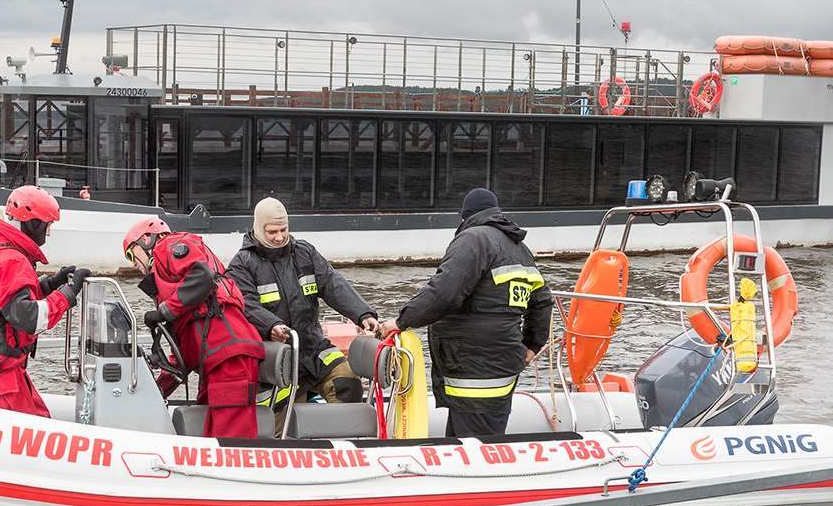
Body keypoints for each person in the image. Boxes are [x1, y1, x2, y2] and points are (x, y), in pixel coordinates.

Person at [377, 188, 552, 438]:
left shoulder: (474, 239)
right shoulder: (519, 248)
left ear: (465, 217)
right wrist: (532, 344)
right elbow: (543, 301)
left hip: (473, 369)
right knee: (470, 442)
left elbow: (443, 293)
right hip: (502, 369)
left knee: (476, 454)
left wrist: (401, 321)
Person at [228, 197, 378, 426]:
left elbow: (332, 284)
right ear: (259, 228)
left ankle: (343, 439)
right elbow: (246, 304)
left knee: (348, 381)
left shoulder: (304, 252)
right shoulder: (242, 264)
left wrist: (363, 314)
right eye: (272, 232)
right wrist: (271, 326)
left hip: (313, 347)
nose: (279, 237)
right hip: (276, 356)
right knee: (283, 415)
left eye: (283, 229)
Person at [124, 216, 265, 439]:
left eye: (131, 254)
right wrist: (157, 389)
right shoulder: (171, 287)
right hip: (215, 362)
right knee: (210, 435)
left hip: (230, 357)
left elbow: (202, 276)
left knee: (232, 439)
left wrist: (164, 311)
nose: (132, 263)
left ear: (145, 240)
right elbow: (179, 354)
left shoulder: (169, 245)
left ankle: (233, 473)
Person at [0, 185, 90, 417]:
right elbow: (28, 317)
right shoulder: (12, 259)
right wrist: (68, 294)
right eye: (48, 225)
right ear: (34, 223)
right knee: (36, 433)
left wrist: (49, 285)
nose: (48, 233)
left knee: (43, 419)